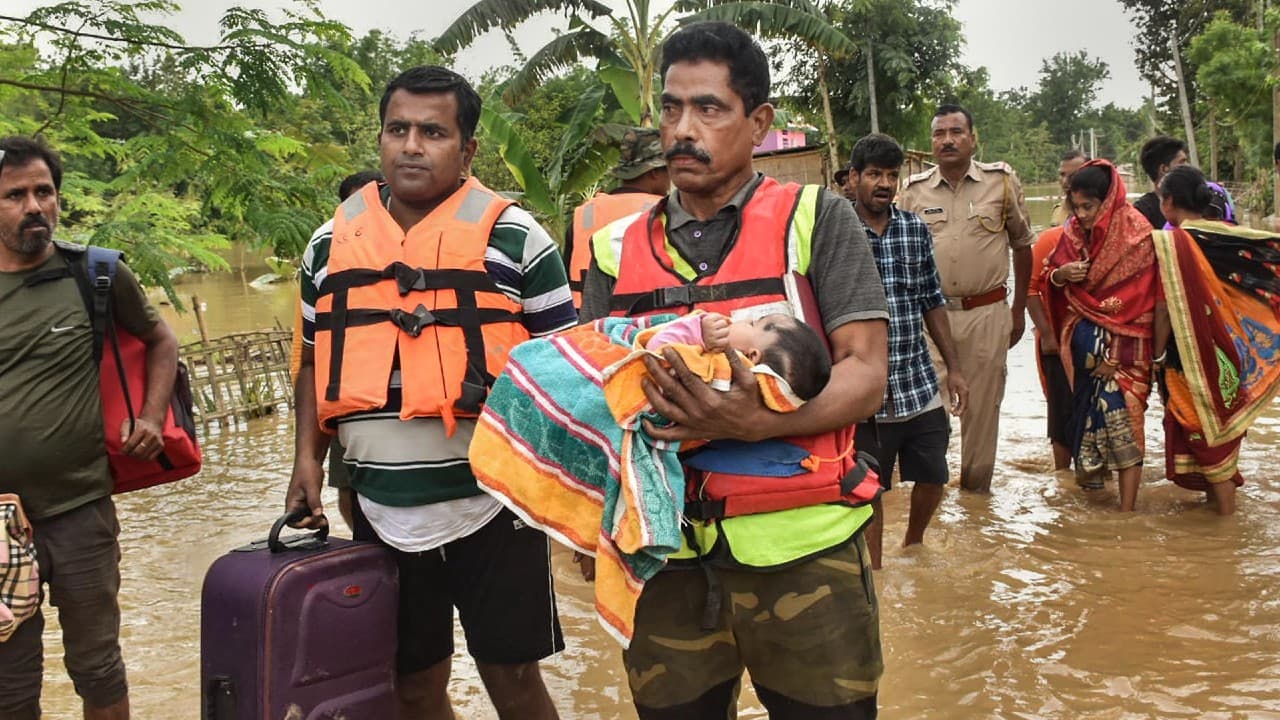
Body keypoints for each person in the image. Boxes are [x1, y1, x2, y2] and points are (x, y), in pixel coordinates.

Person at [579, 21, 889, 718]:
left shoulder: (818, 218)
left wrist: (758, 421)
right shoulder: (611, 247)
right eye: (670, 107)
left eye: (709, 109)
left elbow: (867, 374)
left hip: (805, 552)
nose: (682, 128)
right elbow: (593, 388)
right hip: (661, 560)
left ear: (759, 123)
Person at [284, 66, 574, 720]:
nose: (411, 145)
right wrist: (305, 462)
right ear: (381, 138)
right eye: (398, 129)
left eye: (433, 132)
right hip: (377, 511)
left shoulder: (518, 238)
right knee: (411, 686)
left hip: (497, 506)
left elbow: (570, 372)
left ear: (467, 150)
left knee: (513, 678)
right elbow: (310, 361)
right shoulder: (328, 246)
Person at [469, 310, 844, 645]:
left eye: (753, 325)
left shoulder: (721, 359)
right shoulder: (613, 247)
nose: (738, 320)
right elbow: (607, 339)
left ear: (752, 358)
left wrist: (694, 328)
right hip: (673, 571)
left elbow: (657, 356)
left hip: (797, 556)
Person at [0, 136, 180, 720]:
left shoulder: (93, 273)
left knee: (99, 667)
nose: (34, 207)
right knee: (10, 683)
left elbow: (161, 339)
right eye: (15, 196)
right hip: (0, 525)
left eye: (44, 192)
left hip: (81, 508)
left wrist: (152, 416)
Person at [898, 103, 1034, 493]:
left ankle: (976, 505)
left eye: (956, 132)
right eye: (939, 134)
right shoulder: (913, 192)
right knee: (930, 413)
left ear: (974, 139)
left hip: (987, 313)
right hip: (929, 319)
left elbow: (1023, 246)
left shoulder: (1001, 183)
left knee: (981, 413)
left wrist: (1018, 311)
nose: (947, 140)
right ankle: (931, 499)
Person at [847, 133, 968, 569]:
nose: (883, 183)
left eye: (891, 175)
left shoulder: (914, 228)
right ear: (854, 178)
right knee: (869, 488)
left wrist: (954, 368)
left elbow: (931, 300)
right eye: (874, 174)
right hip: (863, 390)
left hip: (916, 382)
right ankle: (875, 573)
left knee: (935, 473)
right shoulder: (838, 231)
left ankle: (914, 547)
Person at [1151, 165, 1280, 515]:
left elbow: (1163, 308)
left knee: (1204, 436)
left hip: (1188, 356)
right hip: (1232, 352)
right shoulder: (1229, 235)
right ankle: (1219, 520)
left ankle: (1226, 523)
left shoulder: (1172, 244)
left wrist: (1157, 356)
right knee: (1221, 432)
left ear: (1169, 202)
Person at [1043, 160, 1158, 510]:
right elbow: (1049, 276)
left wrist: (1115, 356)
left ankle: (1127, 511)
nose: (1081, 215)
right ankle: (1096, 507)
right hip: (1083, 356)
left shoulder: (1137, 233)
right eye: (1075, 207)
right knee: (1086, 427)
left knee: (1127, 426)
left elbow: (1145, 301)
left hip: (1126, 354)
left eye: (1088, 207)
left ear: (1107, 201)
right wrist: (1062, 275)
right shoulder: (1073, 233)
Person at [288, 169, 383, 532]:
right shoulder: (326, 257)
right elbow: (309, 355)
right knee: (347, 485)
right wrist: (307, 457)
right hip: (339, 396)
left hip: (383, 395)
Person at [565, 128, 668, 308]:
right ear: (655, 173)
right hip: (639, 324)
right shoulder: (663, 213)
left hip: (583, 323)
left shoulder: (584, 214)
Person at [1133, 135, 1189, 229]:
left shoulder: (1196, 203)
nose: (1188, 167)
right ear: (1164, 169)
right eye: (1181, 162)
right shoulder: (1141, 213)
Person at [1049, 150, 1088, 227]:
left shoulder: (1099, 211)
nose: (1065, 181)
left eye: (1073, 175)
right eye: (1062, 174)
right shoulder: (1058, 210)